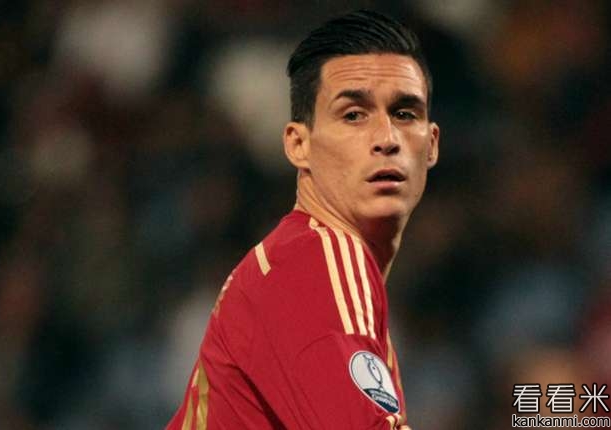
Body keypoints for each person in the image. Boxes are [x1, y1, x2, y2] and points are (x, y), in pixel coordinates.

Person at [166, 9, 439, 430]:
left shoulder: (308, 262)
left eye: (405, 114)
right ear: (298, 145)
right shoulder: (318, 259)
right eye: (353, 115)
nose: (387, 139)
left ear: (432, 144)